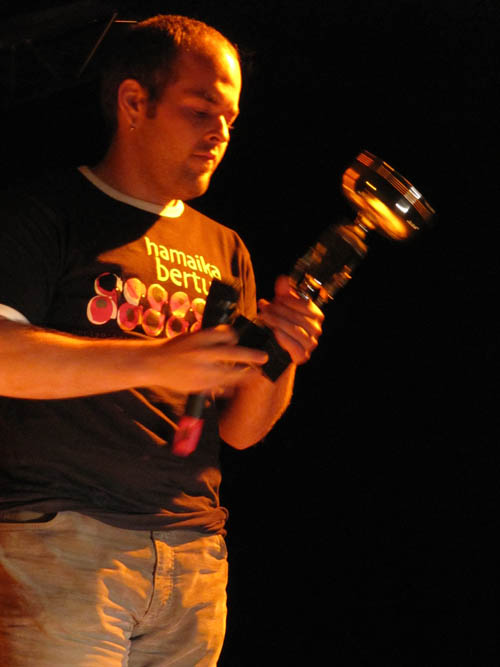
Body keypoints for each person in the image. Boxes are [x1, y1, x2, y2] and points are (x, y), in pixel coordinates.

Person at [0, 14, 323, 666]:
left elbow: (241, 431)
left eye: (230, 119)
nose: (220, 133)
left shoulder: (226, 247)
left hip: (192, 553)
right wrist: (157, 359)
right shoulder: (43, 212)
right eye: (201, 110)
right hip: (64, 541)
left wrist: (282, 356)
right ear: (133, 102)